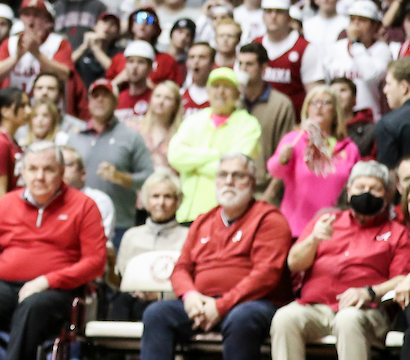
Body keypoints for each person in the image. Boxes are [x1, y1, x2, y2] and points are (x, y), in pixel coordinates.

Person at [0, 141, 107, 360]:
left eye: (48, 169)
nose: (40, 177)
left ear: (62, 171)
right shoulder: (6, 203)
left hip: (56, 291)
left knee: (32, 306)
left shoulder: (83, 206)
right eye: (33, 169)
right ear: (23, 172)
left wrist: (47, 281)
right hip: (6, 287)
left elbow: (95, 263)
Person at [139, 154, 292, 360]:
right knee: (156, 313)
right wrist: (189, 296)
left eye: (237, 175)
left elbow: (265, 275)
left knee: (241, 318)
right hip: (202, 303)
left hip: (253, 303)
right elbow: (181, 268)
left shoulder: (269, 219)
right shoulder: (203, 221)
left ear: (252, 182)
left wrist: (220, 306)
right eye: (222, 175)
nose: (228, 181)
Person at [270, 161, 410, 360]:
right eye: (360, 187)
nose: (366, 193)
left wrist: (369, 292)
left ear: (387, 195)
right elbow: (294, 263)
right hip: (316, 308)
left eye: (375, 189)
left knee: (347, 319)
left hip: (365, 311)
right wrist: (314, 239)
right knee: (284, 318)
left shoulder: (397, 233)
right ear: (348, 190)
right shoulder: (326, 221)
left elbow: (402, 279)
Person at [167, 68, 262, 221]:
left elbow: (236, 168)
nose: (221, 92)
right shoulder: (193, 121)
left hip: (226, 215)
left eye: (227, 87)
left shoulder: (248, 124)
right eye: (216, 86)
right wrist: (218, 155)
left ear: (237, 93)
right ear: (208, 92)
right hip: (186, 212)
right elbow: (175, 156)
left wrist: (193, 164)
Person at [67, 78, 154, 245]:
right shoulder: (74, 137)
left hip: (119, 223)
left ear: (116, 101)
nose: (99, 100)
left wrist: (121, 177)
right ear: (88, 102)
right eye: (95, 96)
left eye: (105, 96)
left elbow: (149, 178)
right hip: (74, 221)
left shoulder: (131, 137)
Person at [268, 85, 362, 235]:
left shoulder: (349, 148)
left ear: (335, 109)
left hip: (335, 229)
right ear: (307, 109)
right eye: (314, 102)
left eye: (325, 102)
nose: (319, 107)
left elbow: (356, 185)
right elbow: (275, 171)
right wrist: (282, 160)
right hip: (297, 228)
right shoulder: (294, 139)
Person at [108, 171, 188, 321]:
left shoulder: (188, 237)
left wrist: (161, 295)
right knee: (121, 302)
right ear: (146, 201)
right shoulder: (131, 236)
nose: (161, 203)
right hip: (133, 300)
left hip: (170, 302)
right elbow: (121, 280)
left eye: (168, 197)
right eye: (155, 196)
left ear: (178, 201)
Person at [237, 42, 298, 202]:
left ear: (263, 69)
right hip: (232, 183)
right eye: (240, 64)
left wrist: (271, 193)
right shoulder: (232, 102)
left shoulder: (281, 104)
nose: (243, 69)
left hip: (263, 189)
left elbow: (286, 155)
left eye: (249, 64)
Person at [0, 87, 30, 200]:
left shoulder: (12, 141)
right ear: (5, 111)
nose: (28, 111)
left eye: (28, 105)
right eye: (22, 106)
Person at [125, 79, 184, 174]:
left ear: (176, 105)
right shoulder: (134, 128)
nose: (161, 101)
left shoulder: (182, 134)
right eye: (157, 96)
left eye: (168, 98)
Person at [60, 147, 115, 241]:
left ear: (83, 173)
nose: (61, 170)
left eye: (67, 164)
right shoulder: (43, 200)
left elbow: (97, 242)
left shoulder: (99, 200)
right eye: (57, 165)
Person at [377, 58, 410, 167]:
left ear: (404, 87)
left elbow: (388, 174)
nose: (385, 90)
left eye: (389, 84)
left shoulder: (388, 124)